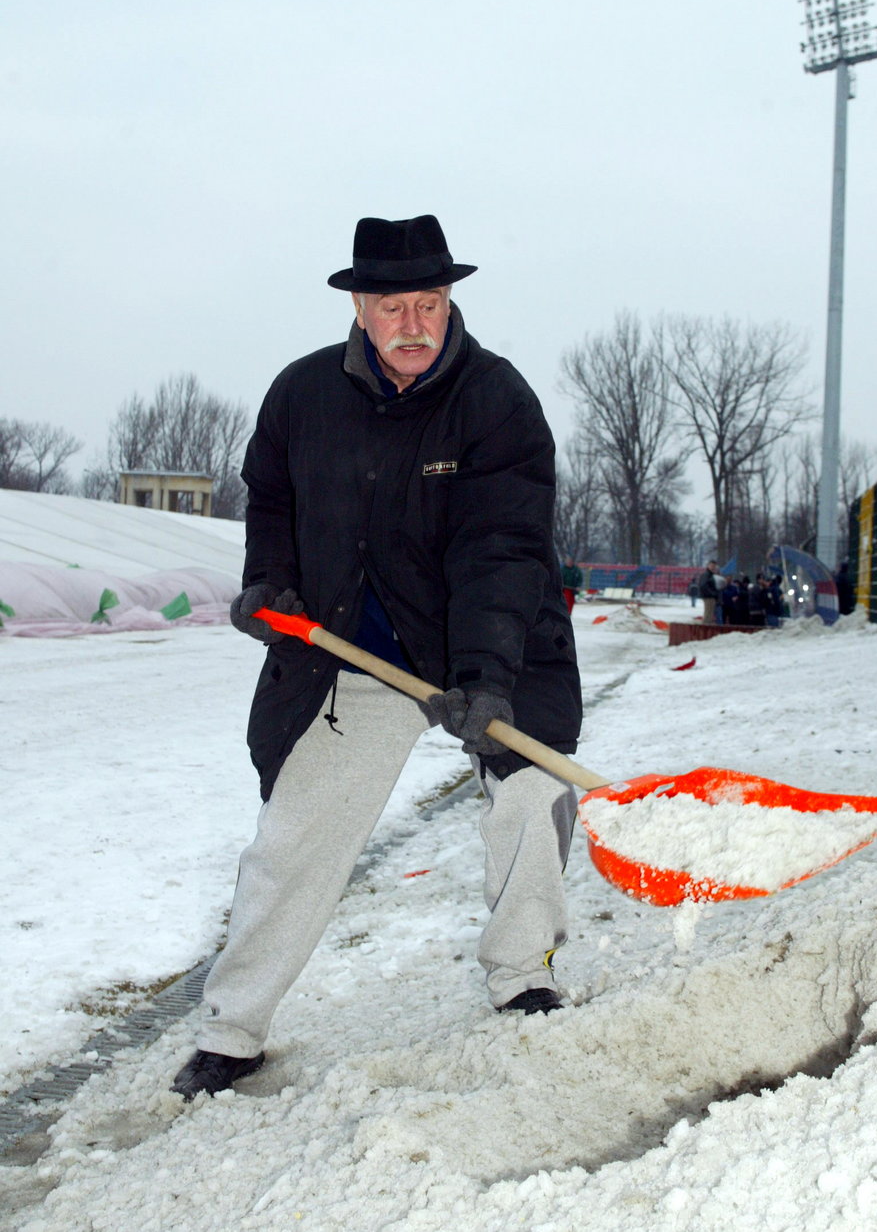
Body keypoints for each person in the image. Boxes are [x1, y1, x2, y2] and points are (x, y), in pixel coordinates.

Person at [172, 215, 583, 1101]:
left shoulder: (497, 399)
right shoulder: (302, 395)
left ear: (449, 304)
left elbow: (503, 549)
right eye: (392, 304)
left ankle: (526, 976)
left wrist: (484, 676)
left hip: (495, 649)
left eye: (429, 303)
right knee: (296, 836)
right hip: (355, 653)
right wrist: (271, 583)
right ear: (360, 309)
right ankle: (231, 1031)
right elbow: (271, 500)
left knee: (530, 796)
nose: (413, 323)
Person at [698, 560, 720, 624]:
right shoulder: (706, 575)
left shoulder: (710, 575)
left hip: (710, 596)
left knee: (709, 614)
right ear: (708, 566)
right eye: (712, 566)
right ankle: (705, 627)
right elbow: (703, 586)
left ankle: (706, 626)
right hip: (708, 597)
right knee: (708, 614)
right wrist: (712, 593)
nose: (713, 567)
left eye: (714, 566)